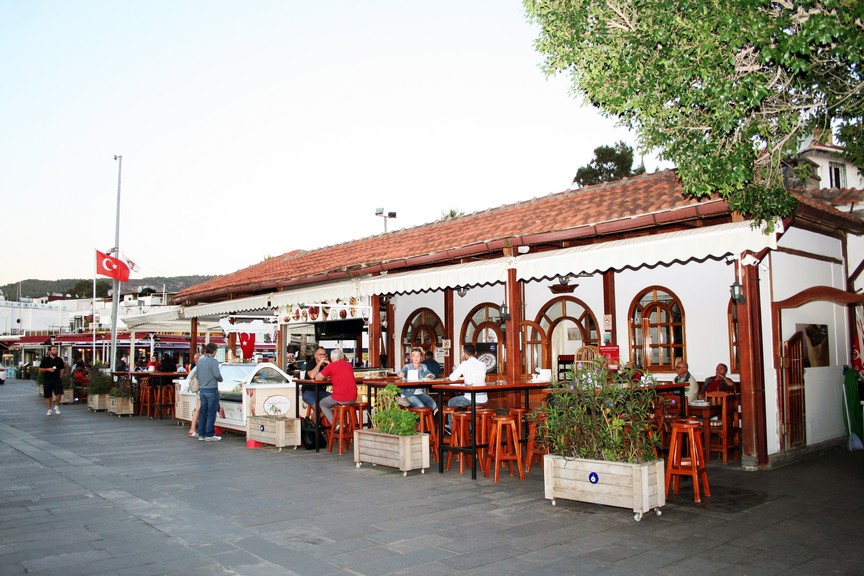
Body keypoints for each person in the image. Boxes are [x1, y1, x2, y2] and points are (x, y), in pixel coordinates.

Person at [446, 343, 489, 429]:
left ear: (465, 354)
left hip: (471, 399)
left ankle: (452, 427)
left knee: (451, 402)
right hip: (484, 399)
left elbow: (452, 378)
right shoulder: (483, 364)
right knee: (468, 405)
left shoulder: (465, 364)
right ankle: (470, 427)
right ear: (475, 353)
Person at [314, 348, 357, 425]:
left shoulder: (331, 366)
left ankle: (337, 425)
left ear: (332, 357)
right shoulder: (348, 365)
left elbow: (317, 378)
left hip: (340, 397)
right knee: (334, 405)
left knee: (322, 404)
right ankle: (343, 425)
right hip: (353, 398)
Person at [196, 343, 223, 441]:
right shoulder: (214, 361)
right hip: (212, 389)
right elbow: (217, 375)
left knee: (203, 412)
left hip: (202, 389)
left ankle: (201, 434)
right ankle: (209, 434)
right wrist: (221, 379)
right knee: (211, 413)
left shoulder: (200, 360)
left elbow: (197, 375)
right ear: (214, 351)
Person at [301, 347, 332, 419]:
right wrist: (320, 363)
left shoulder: (327, 364)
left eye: (324, 354)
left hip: (322, 391)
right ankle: (316, 424)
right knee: (317, 408)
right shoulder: (310, 363)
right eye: (320, 354)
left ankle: (316, 420)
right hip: (309, 391)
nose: (323, 356)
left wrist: (330, 365)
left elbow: (334, 375)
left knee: (337, 403)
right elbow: (312, 375)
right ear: (315, 355)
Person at [39, 345, 66, 416]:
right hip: (47, 379)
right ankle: (49, 409)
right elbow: (40, 369)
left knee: (59, 393)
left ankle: (56, 405)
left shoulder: (59, 359)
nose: (56, 351)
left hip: (57, 379)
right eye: (54, 350)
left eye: (56, 349)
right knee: (48, 395)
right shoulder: (45, 360)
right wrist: (48, 369)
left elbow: (62, 368)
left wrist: (61, 376)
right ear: (49, 351)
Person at [188, 353, 202, 437]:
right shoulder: (198, 368)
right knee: (198, 408)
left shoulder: (196, 368)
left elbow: (188, 377)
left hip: (198, 389)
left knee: (197, 408)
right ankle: (193, 428)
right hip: (201, 389)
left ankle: (193, 428)